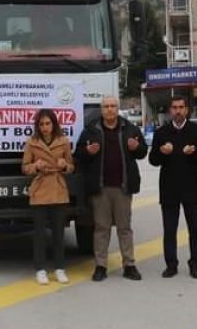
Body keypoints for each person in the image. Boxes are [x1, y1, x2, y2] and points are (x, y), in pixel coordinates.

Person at [75, 96, 147, 282]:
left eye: (113, 106)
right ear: (101, 109)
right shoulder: (91, 129)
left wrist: (137, 147)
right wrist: (88, 152)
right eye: (106, 106)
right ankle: (101, 266)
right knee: (101, 228)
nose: (109, 109)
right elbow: (78, 155)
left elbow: (143, 152)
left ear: (118, 108)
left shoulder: (130, 128)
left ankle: (129, 265)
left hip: (123, 187)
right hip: (100, 188)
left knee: (124, 228)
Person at [149, 96, 197, 279]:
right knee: (169, 230)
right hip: (169, 189)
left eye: (181, 107)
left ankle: (195, 264)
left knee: (194, 229)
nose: (178, 111)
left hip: (192, 189)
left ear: (187, 110)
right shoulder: (162, 132)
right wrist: (162, 152)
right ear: (170, 110)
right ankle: (171, 265)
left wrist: (194, 153)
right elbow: (153, 160)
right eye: (174, 107)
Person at [22, 108, 74, 285]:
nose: (45, 127)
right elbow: (25, 167)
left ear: (54, 124)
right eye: (41, 124)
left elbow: (71, 167)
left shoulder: (64, 141)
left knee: (58, 233)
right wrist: (35, 166)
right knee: (39, 234)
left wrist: (64, 165)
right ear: (37, 126)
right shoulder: (32, 142)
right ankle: (40, 269)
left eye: (48, 123)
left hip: (58, 189)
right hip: (40, 189)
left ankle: (60, 268)